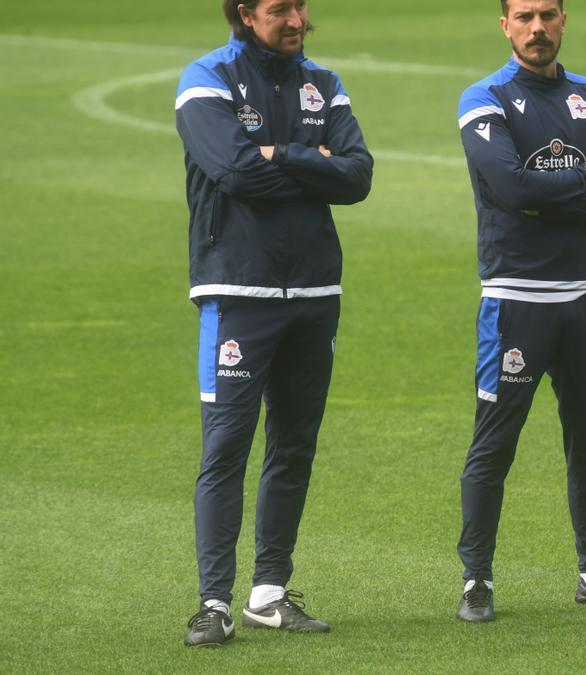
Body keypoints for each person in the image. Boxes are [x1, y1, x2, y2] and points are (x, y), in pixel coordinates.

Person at [453, 0, 586, 622]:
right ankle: (476, 583)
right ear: (505, 26)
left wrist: (549, 196)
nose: (536, 27)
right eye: (523, 17)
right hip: (516, 299)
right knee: (494, 445)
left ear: (564, 20)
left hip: (585, 297)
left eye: (547, 14)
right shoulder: (483, 97)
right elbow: (509, 187)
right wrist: (583, 180)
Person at [174, 0, 372, 647]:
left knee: (293, 445)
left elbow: (358, 175)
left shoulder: (325, 84)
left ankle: (268, 591)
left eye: (300, 6)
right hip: (237, 289)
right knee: (227, 446)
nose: (296, 18)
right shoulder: (206, 78)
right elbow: (232, 169)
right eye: (280, 8)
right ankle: (212, 603)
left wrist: (278, 154)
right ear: (242, 13)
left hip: (315, 289)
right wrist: (311, 162)